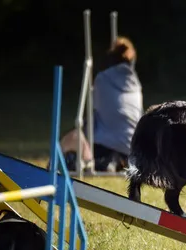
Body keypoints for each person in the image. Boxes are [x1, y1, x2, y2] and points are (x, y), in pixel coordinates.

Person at [60, 36, 143, 172]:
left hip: (105, 145)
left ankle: (83, 162)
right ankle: (116, 162)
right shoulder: (136, 84)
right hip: (132, 148)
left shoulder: (102, 79)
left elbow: (95, 111)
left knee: (74, 136)